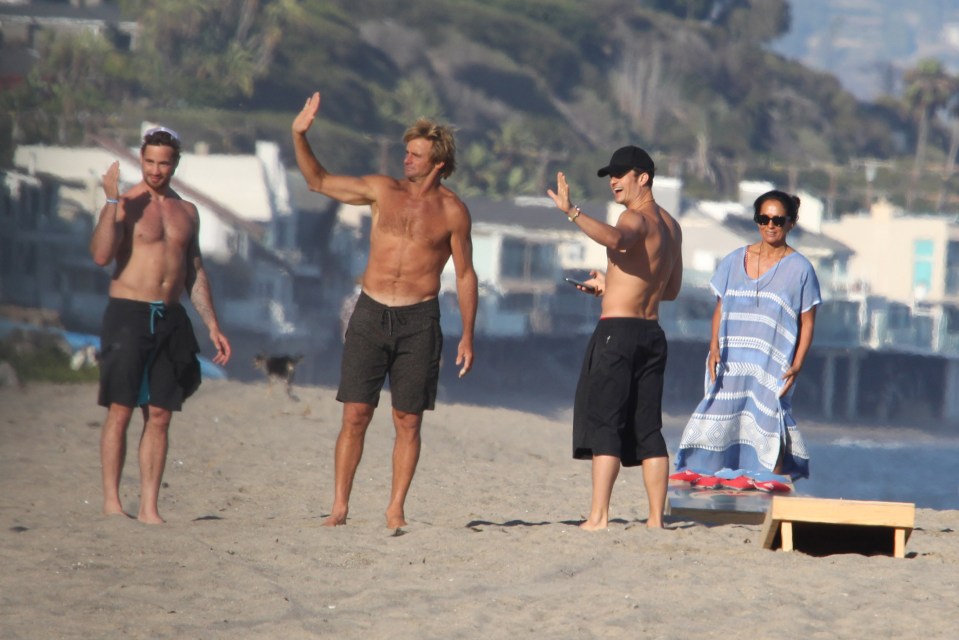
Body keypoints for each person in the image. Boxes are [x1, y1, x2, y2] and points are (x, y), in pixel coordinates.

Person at [292, 92, 478, 529]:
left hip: (420, 320)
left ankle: (395, 508)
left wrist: (469, 334)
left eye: (416, 155)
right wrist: (300, 135)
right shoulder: (381, 190)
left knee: (407, 419)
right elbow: (318, 181)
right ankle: (339, 506)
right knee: (355, 413)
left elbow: (466, 275)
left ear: (439, 164)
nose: (407, 160)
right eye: (406, 152)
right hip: (371, 312)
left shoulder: (454, 211)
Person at [90, 126, 232, 524]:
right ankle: (112, 503)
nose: (155, 169)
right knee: (121, 408)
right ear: (141, 159)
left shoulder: (187, 211)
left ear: (174, 164)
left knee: (161, 413)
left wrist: (213, 325)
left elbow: (195, 271)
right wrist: (111, 200)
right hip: (128, 313)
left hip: (170, 316)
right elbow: (101, 255)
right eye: (149, 161)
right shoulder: (127, 203)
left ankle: (150, 507)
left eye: (163, 162)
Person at [547, 145, 683, 530]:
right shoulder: (672, 226)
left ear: (644, 177)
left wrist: (572, 212)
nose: (614, 181)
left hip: (618, 333)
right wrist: (611, 287)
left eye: (622, 173)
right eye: (611, 174)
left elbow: (617, 239)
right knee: (648, 427)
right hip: (651, 333)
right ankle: (656, 520)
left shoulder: (634, 218)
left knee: (604, 421)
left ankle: (598, 517)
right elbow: (669, 290)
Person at [673, 190, 821, 491]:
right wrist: (713, 347)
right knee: (718, 410)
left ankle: (770, 482)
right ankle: (709, 471)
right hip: (731, 359)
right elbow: (720, 307)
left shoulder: (801, 269)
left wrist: (798, 363)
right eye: (763, 218)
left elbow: (808, 322)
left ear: (790, 223)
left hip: (772, 363)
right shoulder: (732, 261)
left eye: (778, 220)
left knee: (770, 418)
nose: (770, 225)